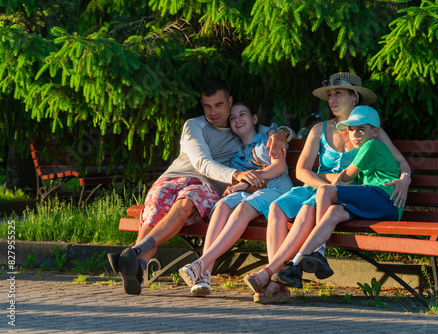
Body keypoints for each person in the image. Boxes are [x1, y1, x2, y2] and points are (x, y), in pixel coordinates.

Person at [107, 78, 293, 295]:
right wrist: (237, 175)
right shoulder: (194, 126)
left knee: (186, 203)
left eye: (219, 105)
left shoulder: (239, 128)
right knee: (155, 208)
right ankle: (136, 267)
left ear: (230, 102)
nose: (213, 112)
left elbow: (276, 131)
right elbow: (202, 162)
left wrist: (282, 132)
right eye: (207, 106)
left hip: (204, 186)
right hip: (173, 178)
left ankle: (135, 253)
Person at [243, 72, 411, 303]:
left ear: (354, 97)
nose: (332, 99)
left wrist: (405, 179)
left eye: (338, 93)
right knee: (276, 208)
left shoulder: (370, 130)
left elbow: (400, 162)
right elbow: (302, 171)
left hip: (347, 194)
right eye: (330, 95)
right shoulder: (319, 129)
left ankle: (273, 279)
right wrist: (325, 185)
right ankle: (280, 281)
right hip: (321, 188)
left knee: (306, 211)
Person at [274, 105, 405, 287]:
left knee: (325, 191)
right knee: (334, 213)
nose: (355, 135)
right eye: (351, 130)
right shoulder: (366, 147)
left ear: (375, 132)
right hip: (373, 201)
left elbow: (344, 179)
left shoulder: (371, 146)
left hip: (385, 198)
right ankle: (295, 266)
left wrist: (315, 179)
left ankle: (320, 250)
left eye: (361, 129)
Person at [178, 102, 293, 297]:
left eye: (242, 114)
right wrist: (235, 188)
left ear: (254, 119)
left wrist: (247, 184)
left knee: (241, 209)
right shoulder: (237, 157)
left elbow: (278, 168)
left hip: (277, 190)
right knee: (222, 205)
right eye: (232, 118)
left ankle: (201, 264)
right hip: (254, 194)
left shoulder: (267, 139)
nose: (238, 119)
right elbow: (244, 184)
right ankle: (205, 275)